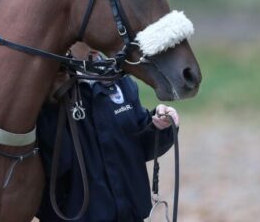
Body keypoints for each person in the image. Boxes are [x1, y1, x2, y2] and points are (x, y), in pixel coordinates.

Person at [36, 46, 180, 222]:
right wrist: (50, 105)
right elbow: (52, 164)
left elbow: (138, 145)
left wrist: (158, 126)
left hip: (130, 216)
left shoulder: (117, 76)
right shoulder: (48, 83)